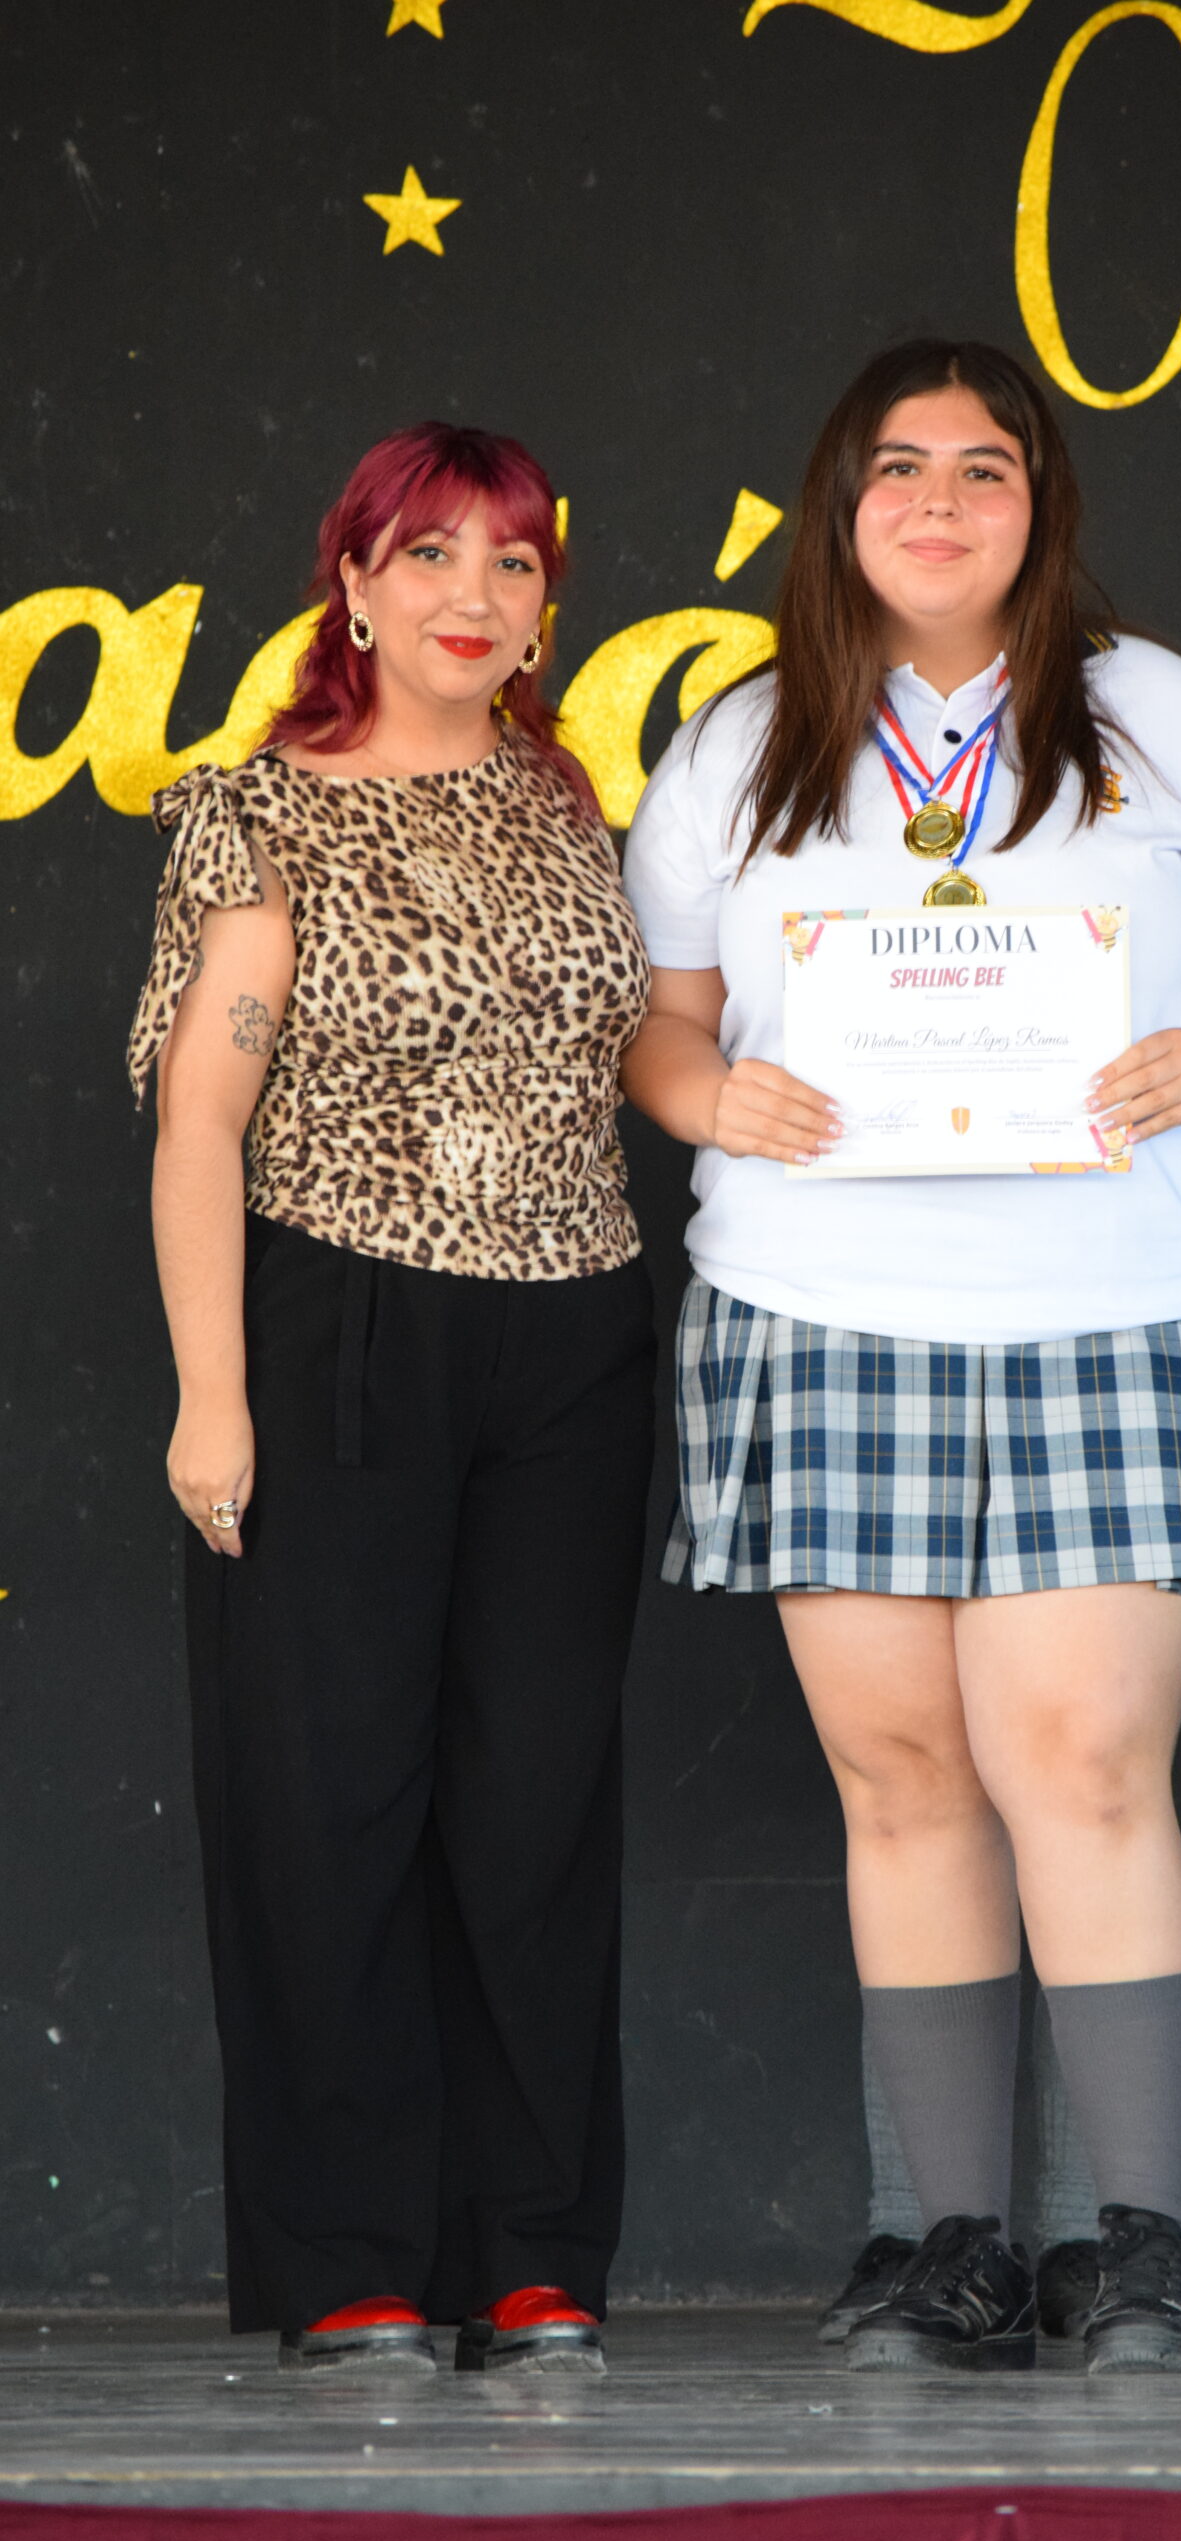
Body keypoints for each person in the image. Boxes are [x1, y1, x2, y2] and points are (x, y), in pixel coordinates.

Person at [619, 340, 1181, 2375]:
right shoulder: (739, 737)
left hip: (1102, 1304)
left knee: (1082, 1764)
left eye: (984, 467)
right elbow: (663, 1022)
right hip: (824, 1306)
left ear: (1042, 501)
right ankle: (941, 2238)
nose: (939, 502)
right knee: (905, 1778)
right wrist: (702, 1099)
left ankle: (1135, 2242)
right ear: (838, 505)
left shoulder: (1157, 710)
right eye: (898, 467)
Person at [126, 423, 655, 2375]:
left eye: (511, 563)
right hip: (343, 1318)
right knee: (331, 1787)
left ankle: (530, 2250)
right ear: (352, 583)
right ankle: (349, 2253)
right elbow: (201, 1119)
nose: (471, 596)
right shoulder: (263, 810)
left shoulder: (571, 806)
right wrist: (211, 1392)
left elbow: (644, 1051)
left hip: (577, 1330)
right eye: (428, 554)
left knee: (537, 1799)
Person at [817, 1094, 1181, 2347]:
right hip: (855, 1322)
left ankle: (1110, 2237)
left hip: (1106, 1348)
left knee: (1079, 1793)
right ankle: (930, 2231)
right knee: (920, 1796)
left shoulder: (1166, 997)